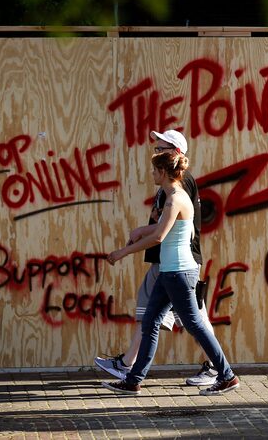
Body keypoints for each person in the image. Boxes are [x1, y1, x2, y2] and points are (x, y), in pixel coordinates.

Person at [101, 146, 239, 396]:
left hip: (179, 273)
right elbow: (169, 231)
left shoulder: (175, 198)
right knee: (151, 322)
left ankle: (227, 375)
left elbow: (158, 236)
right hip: (170, 272)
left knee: (194, 324)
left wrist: (122, 253)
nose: (152, 173)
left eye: (155, 169)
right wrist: (142, 231)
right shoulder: (173, 197)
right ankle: (133, 381)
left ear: (163, 172)